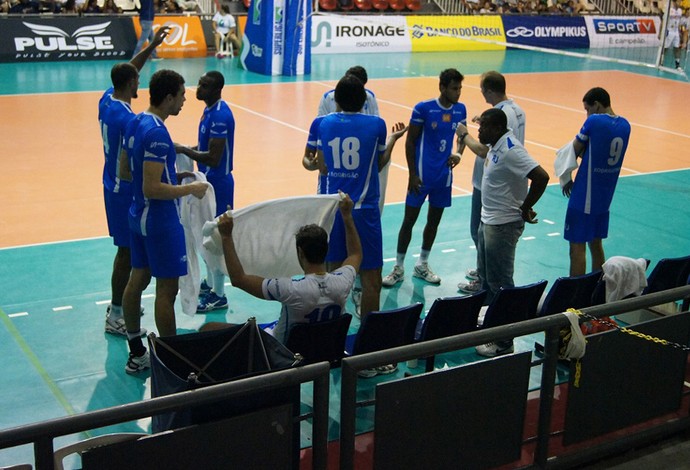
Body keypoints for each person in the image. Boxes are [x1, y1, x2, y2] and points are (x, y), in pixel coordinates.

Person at [121, 70, 209, 374]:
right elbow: (152, 187)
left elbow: (124, 171)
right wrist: (190, 188)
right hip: (160, 221)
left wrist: (172, 176)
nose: (185, 100)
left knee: (137, 280)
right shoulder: (158, 133)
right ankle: (171, 362)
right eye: (182, 94)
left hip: (138, 217)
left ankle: (136, 351)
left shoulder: (135, 121)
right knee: (166, 292)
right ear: (169, 97)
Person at [200, 194, 361, 345]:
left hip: (284, 355)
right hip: (326, 350)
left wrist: (227, 237)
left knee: (208, 329)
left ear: (300, 253)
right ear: (326, 250)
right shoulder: (343, 281)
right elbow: (355, 254)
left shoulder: (291, 290)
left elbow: (238, 279)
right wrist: (347, 217)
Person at [456, 108, 549, 357]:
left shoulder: (511, 150)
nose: (480, 129)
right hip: (488, 221)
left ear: (497, 128)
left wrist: (526, 207)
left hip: (503, 225)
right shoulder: (496, 145)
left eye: (483, 126)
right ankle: (489, 327)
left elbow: (541, 177)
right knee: (487, 278)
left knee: (501, 284)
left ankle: (504, 341)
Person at [98, 27, 168, 337]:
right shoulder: (127, 119)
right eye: (136, 81)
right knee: (126, 252)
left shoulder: (107, 100)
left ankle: (124, 302)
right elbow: (133, 161)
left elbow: (129, 69)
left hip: (110, 183)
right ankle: (116, 312)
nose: (139, 80)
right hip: (121, 190)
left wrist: (151, 45)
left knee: (129, 252)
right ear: (129, 85)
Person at [382, 68, 467, 288]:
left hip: (443, 178)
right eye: (454, 88)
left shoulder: (460, 110)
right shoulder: (423, 108)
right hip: (421, 177)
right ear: (442, 87)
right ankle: (398, 267)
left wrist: (458, 153)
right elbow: (410, 142)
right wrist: (413, 174)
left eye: (460, 88)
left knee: (433, 222)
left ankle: (422, 264)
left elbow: (462, 136)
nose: (458, 93)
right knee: (408, 221)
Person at [315, 75, 388, 320]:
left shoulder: (322, 124)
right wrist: (394, 142)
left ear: (336, 100)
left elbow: (322, 166)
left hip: (334, 210)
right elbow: (377, 163)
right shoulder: (377, 125)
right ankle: (371, 342)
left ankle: (332, 334)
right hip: (364, 210)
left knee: (332, 278)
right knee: (371, 279)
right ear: (363, 99)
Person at [458, 71, 526, 294]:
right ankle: (485, 276)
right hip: (504, 183)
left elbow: (484, 150)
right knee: (482, 234)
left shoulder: (503, 114)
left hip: (492, 184)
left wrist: (465, 135)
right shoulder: (516, 110)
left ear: (488, 90)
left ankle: (484, 281)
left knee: (480, 233)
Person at [176, 71, 236, 313]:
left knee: (215, 238)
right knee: (205, 233)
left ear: (217, 89)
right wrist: (186, 152)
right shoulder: (210, 110)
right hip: (207, 181)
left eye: (204, 85)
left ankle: (219, 295)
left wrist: (183, 150)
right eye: (199, 83)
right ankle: (211, 283)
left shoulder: (220, 115)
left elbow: (213, 156)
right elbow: (204, 148)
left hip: (218, 184)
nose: (198, 88)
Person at [562, 87, 631, 277]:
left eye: (587, 109)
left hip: (584, 196)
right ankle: (599, 288)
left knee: (576, 248)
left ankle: (576, 297)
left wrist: (566, 178)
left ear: (597, 105)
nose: (587, 115)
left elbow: (572, 150)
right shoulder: (626, 125)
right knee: (596, 243)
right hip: (604, 198)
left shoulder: (594, 121)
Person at [663, 0, 684, 70]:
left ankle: (677, 64)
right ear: (674, 2)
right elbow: (664, 21)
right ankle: (660, 61)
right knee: (665, 48)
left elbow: (679, 22)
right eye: (678, 1)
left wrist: (680, 32)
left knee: (677, 48)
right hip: (669, 31)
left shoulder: (680, 11)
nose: (680, 3)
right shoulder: (669, 9)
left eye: (680, 1)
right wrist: (662, 32)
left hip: (676, 32)